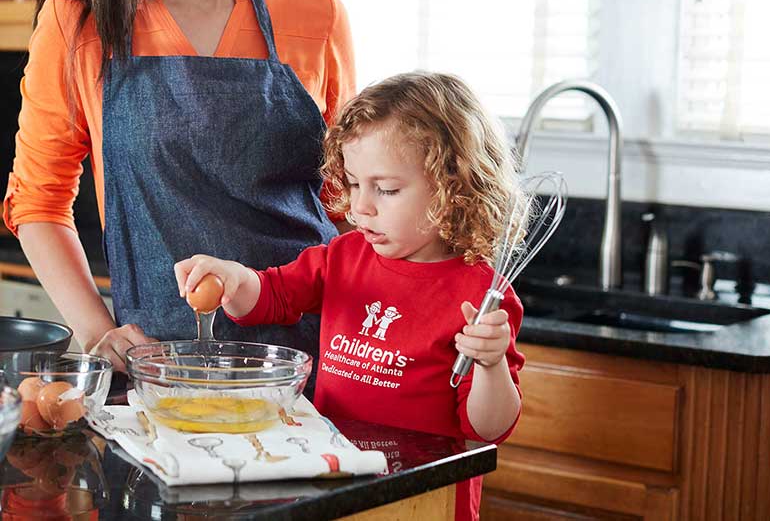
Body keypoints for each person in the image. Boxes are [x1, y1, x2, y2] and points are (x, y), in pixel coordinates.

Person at [174, 72, 526, 521]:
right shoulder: (345, 256)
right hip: (333, 484)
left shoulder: (483, 295)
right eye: (355, 184)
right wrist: (233, 278)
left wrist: (490, 363)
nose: (361, 207)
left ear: (453, 186)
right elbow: (271, 297)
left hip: (421, 501)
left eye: (387, 189)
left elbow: (487, 428)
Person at [2, 0, 355, 374]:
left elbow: (342, 199)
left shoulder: (317, 10)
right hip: (159, 361)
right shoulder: (77, 18)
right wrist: (96, 331)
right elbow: (39, 202)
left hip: (312, 352)